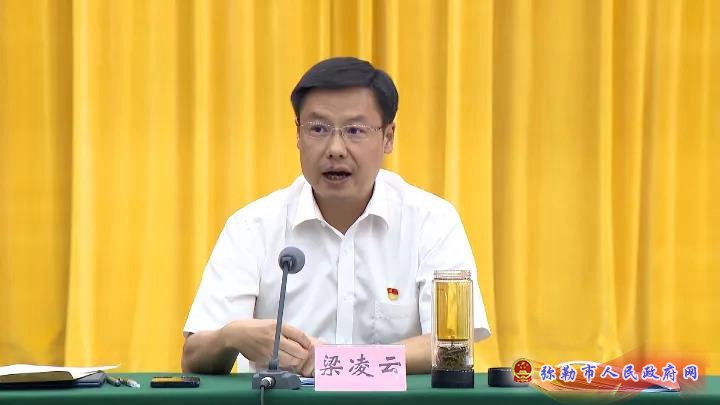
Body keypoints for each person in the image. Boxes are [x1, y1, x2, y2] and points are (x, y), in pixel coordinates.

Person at [181, 57, 490, 377]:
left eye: (355, 130)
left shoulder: (432, 221)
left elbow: (453, 348)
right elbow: (194, 358)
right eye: (318, 129)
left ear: (388, 137)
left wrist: (339, 363)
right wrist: (230, 336)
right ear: (298, 135)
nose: (336, 148)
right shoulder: (252, 226)